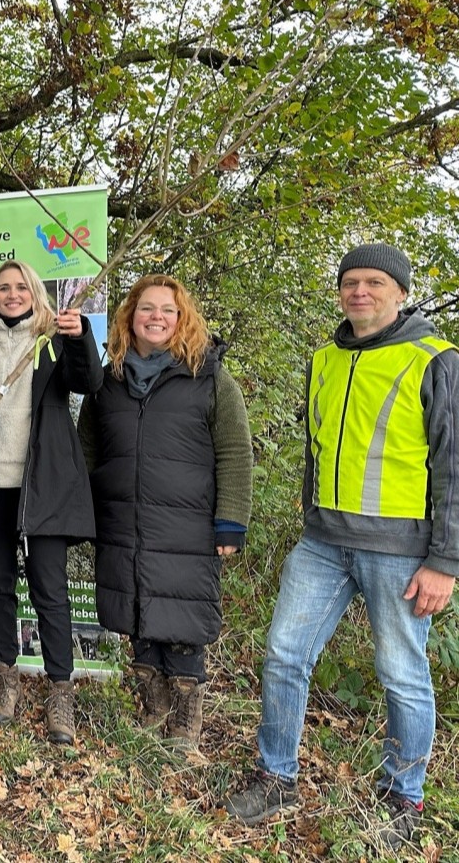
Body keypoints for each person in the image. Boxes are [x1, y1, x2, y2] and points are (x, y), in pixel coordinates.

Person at [223, 245, 458, 851]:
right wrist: (309, 515)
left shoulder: (434, 359)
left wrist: (445, 562)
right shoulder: (325, 357)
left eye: (374, 282)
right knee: (282, 655)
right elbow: (315, 446)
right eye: (350, 282)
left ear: (400, 292)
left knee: (401, 675)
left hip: (402, 551)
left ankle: (402, 796)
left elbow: (454, 468)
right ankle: (277, 778)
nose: (360, 292)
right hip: (323, 542)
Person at [78, 273, 252, 752]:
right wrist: (80, 510)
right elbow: (87, 449)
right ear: (130, 318)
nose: (156, 317)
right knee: (135, 611)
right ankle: (153, 710)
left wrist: (231, 521)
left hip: (187, 524)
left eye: (167, 310)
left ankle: (185, 724)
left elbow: (236, 451)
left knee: (183, 621)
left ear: (182, 319)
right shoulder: (108, 379)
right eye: (147, 308)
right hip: (122, 519)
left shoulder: (209, 377)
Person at [0, 261, 102, 743]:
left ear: (34, 293)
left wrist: (81, 334)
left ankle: (60, 689)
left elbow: (90, 381)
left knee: (50, 589)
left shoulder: (52, 343)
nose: (12, 293)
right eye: (3, 287)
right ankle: (6, 676)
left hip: (40, 485)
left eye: (21, 286)